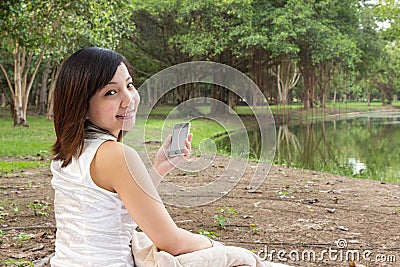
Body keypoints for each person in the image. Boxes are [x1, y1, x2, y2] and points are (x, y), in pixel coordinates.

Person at [50, 47, 289, 267]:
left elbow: (115, 210)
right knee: (244, 261)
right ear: (82, 105)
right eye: (111, 92)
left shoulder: (70, 152)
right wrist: (216, 247)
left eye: (129, 85)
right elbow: (171, 241)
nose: (129, 99)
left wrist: (158, 169)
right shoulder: (115, 155)